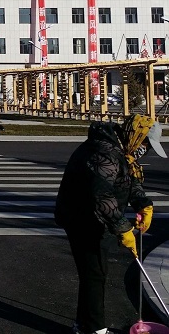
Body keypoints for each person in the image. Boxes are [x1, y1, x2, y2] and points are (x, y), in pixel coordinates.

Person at [55, 114, 167, 334]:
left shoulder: (119, 149)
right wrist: (123, 228)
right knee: (94, 273)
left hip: (94, 218)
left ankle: (83, 324)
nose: (145, 150)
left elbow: (127, 179)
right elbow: (102, 196)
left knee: (92, 274)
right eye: (145, 144)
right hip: (83, 220)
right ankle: (94, 329)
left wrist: (143, 204)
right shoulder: (104, 153)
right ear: (136, 135)